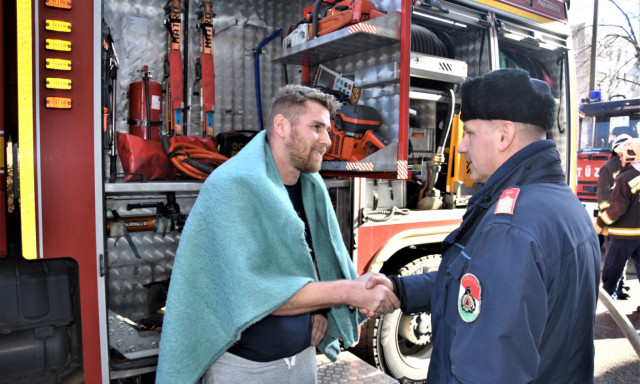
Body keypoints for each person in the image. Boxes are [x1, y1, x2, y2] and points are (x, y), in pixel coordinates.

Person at [365, 69, 601, 383]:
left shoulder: (512, 227)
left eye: (470, 133)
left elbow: (487, 371)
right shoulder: (561, 203)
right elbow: (476, 287)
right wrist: (402, 289)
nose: (461, 147)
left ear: (504, 135)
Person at [155, 84, 399, 384]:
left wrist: (320, 309)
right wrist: (349, 291)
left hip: (301, 360)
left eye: (328, 129)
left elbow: (312, 262)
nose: (327, 140)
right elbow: (258, 293)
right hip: (245, 369)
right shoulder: (232, 186)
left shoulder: (312, 187)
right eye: (317, 127)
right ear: (282, 126)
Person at [595, 138, 640, 302]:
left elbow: (617, 208)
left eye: (622, 155)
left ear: (630, 156)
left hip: (623, 236)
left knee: (611, 272)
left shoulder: (625, 178)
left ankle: (608, 306)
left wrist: (600, 223)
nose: (619, 158)